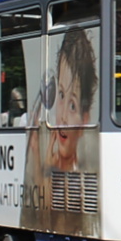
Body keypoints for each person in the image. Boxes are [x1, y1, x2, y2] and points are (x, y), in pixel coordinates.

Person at [46, 28, 98, 171]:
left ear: (84, 120)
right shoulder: (43, 169)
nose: (63, 117)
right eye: (61, 95)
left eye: (72, 106)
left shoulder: (88, 173)